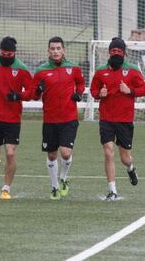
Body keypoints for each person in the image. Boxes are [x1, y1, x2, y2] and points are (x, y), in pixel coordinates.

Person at [90, 37, 145, 201]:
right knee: (108, 153)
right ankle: (112, 190)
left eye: (119, 51)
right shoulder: (101, 71)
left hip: (124, 120)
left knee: (125, 158)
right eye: (113, 51)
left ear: (124, 53)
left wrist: (129, 90)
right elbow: (93, 90)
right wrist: (98, 94)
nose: (115, 54)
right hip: (106, 119)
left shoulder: (132, 70)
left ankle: (130, 168)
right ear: (109, 53)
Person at [0, 36, 34, 200]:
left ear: (14, 54)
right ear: (0, 51)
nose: (6, 57)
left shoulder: (22, 69)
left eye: (10, 54)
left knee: (10, 153)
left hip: (12, 119)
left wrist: (18, 96)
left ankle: (6, 188)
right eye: (4, 53)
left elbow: (31, 92)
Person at [33, 36, 85, 200]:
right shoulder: (41, 71)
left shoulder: (73, 68)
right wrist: (38, 90)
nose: (55, 51)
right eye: (52, 49)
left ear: (63, 50)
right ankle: (54, 187)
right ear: (48, 51)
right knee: (52, 155)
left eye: (58, 48)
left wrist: (78, 94)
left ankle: (63, 178)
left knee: (65, 153)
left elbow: (81, 84)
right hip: (49, 120)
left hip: (69, 118)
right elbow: (34, 95)